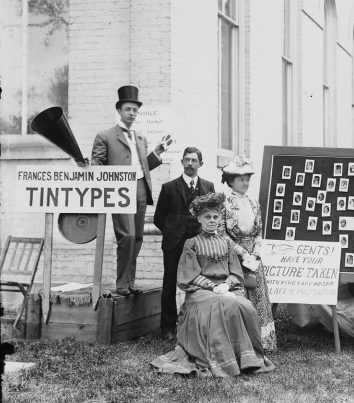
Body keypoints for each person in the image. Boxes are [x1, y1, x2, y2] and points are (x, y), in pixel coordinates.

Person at [150, 192, 275, 377]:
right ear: (199, 219)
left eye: (215, 217)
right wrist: (213, 287)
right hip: (199, 291)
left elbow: (236, 273)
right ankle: (224, 361)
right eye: (207, 217)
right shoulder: (191, 243)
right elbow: (188, 275)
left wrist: (226, 284)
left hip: (225, 288)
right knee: (224, 303)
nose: (212, 220)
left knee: (245, 305)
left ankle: (248, 358)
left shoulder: (226, 243)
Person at [84, 85, 166, 296]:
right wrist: (91, 167)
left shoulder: (140, 138)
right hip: (118, 189)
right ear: (119, 110)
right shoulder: (105, 136)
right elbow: (98, 164)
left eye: (135, 110)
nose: (132, 113)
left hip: (139, 187)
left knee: (138, 237)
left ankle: (129, 282)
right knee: (127, 236)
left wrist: (157, 153)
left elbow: (142, 166)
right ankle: (121, 284)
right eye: (128, 109)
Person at [153, 147, 215, 340]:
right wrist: (174, 232)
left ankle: (200, 324)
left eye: (194, 160)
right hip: (174, 244)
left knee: (203, 281)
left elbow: (212, 214)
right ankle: (168, 328)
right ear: (181, 162)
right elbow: (158, 218)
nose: (189, 163)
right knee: (170, 283)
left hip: (201, 244)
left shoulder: (208, 187)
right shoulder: (169, 188)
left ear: (200, 164)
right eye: (186, 160)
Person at [221, 156, 277, 351]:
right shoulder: (225, 203)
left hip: (254, 258)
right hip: (235, 258)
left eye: (247, 179)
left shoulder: (254, 203)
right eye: (241, 179)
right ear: (231, 181)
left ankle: (261, 341)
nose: (245, 183)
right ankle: (240, 342)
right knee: (240, 296)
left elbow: (259, 230)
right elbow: (222, 233)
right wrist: (242, 253)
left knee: (258, 296)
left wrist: (257, 251)